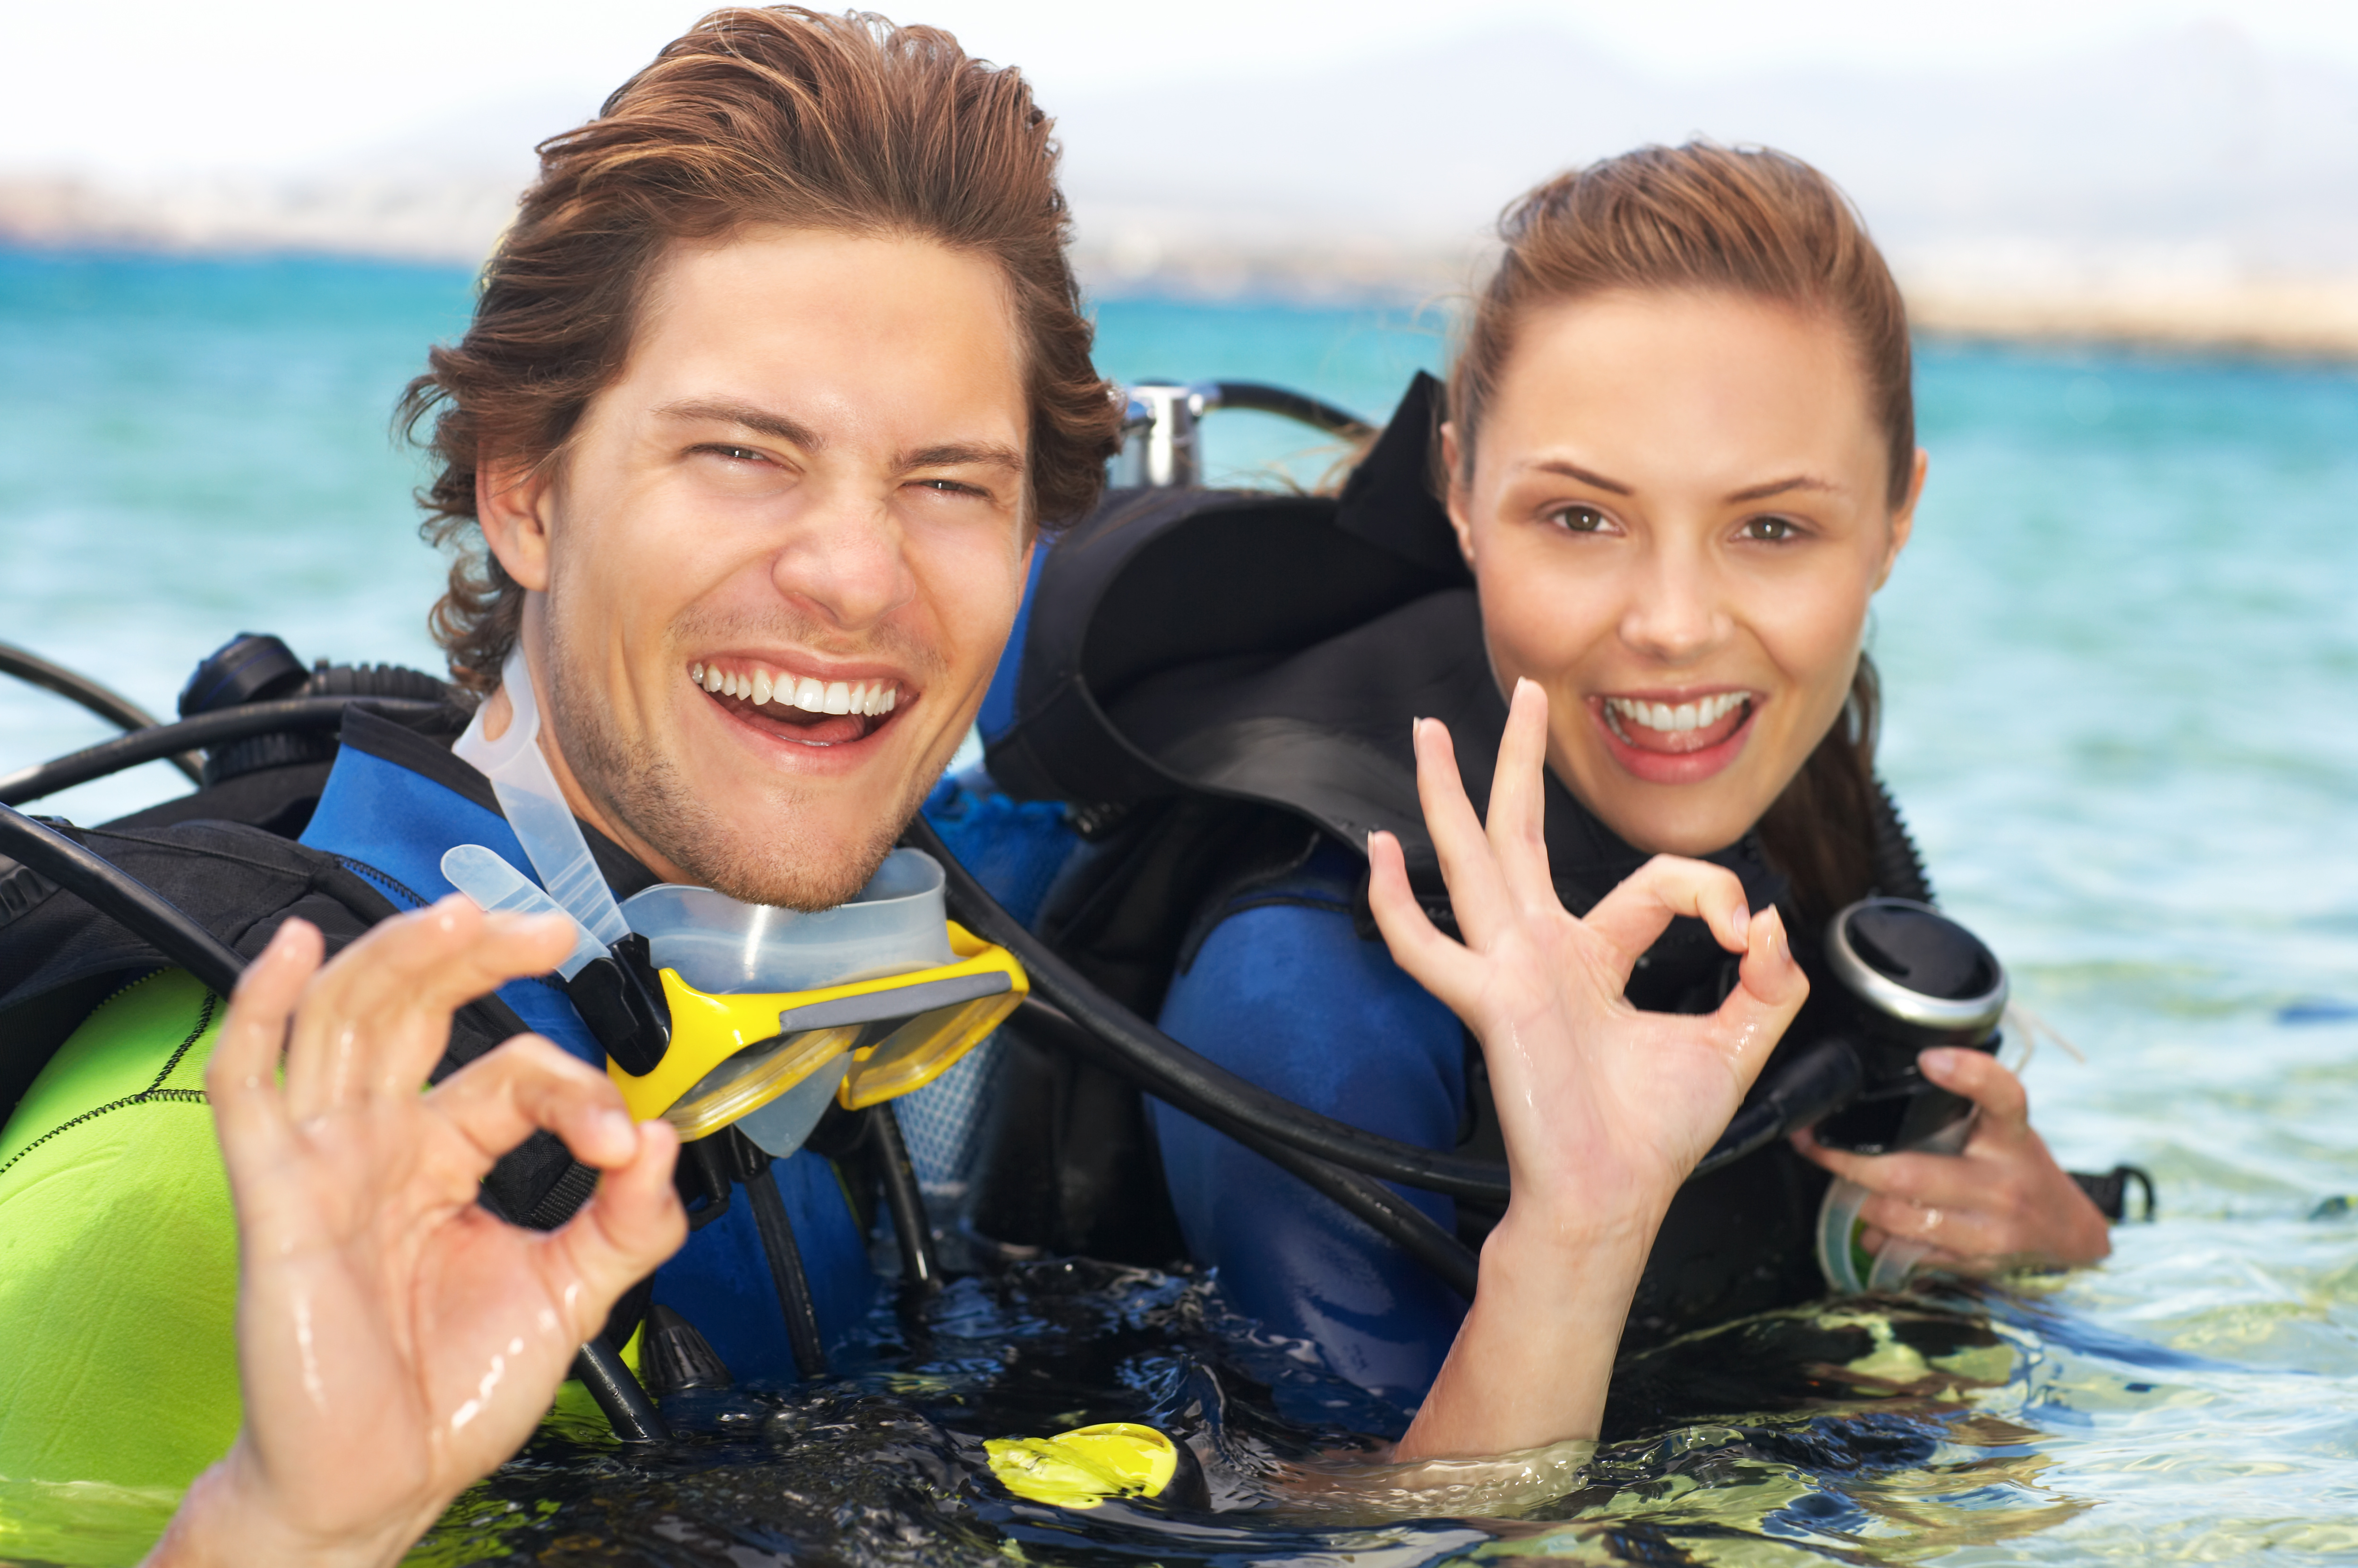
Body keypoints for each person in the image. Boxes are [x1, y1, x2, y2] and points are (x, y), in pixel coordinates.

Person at [0, 14, 1807, 1561]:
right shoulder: (220, 1165)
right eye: (741, 455)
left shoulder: (809, 1002)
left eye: (948, 483)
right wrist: (282, 1528)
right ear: (526, 493)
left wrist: (1578, 1220)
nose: (857, 578)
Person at [957, 142, 2114, 1418]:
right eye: (1581, 519)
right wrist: (1579, 1232)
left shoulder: (1780, 781)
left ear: (1896, 519)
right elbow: (1384, 1532)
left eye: (1772, 528)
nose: (1675, 624)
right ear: (1458, 493)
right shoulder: (1307, 980)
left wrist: (2050, 1248)